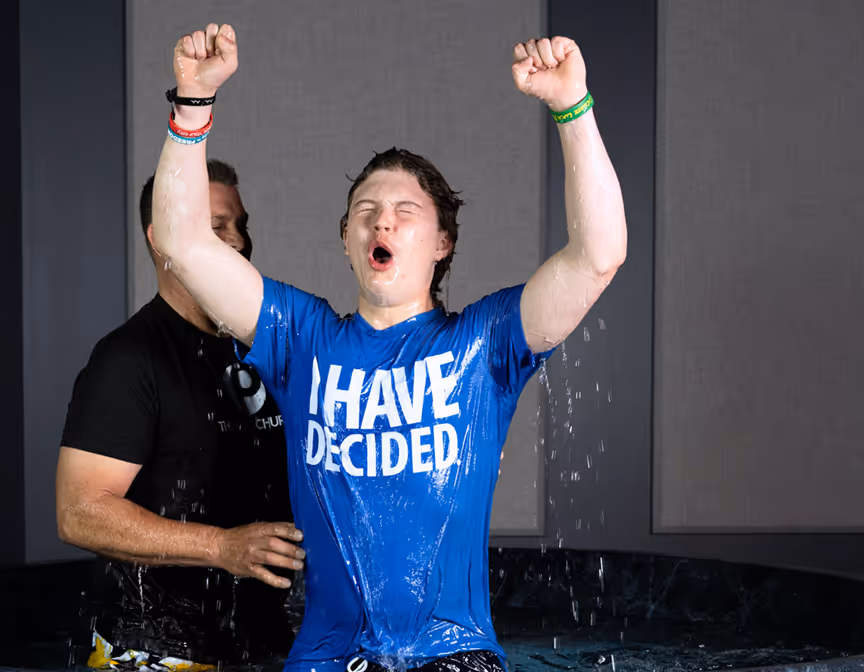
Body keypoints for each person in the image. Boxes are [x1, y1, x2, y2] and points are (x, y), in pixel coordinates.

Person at [150, 23, 627, 672]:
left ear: (442, 242)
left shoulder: (484, 344)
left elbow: (598, 256)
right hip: (327, 661)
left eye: (406, 210)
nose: (382, 219)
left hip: (455, 659)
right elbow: (181, 243)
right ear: (347, 238)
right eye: (366, 209)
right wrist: (193, 100)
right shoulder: (300, 339)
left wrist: (572, 106)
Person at [55, 160, 305, 670]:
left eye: (240, 223)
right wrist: (221, 547)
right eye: (215, 227)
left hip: (267, 648)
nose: (236, 241)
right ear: (160, 239)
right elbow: (79, 514)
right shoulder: (128, 360)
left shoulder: (268, 348)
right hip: (154, 653)